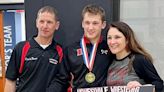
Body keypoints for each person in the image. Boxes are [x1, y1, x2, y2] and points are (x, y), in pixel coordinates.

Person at [47, 4, 113, 92]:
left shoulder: (110, 48)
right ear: (82, 24)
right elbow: (61, 79)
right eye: (87, 23)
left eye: (95, 23)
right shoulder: (70, 50)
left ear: (103, 25)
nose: (90, 27)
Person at [4, 6, 62, 92]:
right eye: (41, 21)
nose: (45, 26)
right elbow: (10, 81)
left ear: (56, 25)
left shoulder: (60, 52)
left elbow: (62, 81)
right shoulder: (21, 48)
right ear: (36, 23)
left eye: (49, 22)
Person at [106, 21, 164, 92]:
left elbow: (159, 85)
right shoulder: (109, 61)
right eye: (109, 38)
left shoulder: (139, 60)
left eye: (117, 37)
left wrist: (142, 88)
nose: (112, 42)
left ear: (127, 39)